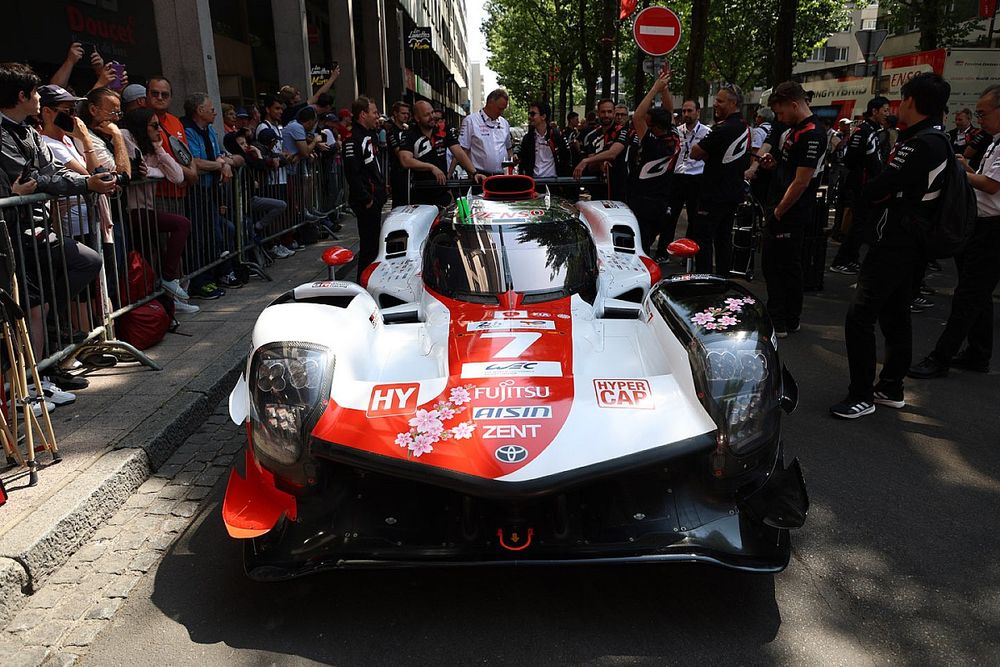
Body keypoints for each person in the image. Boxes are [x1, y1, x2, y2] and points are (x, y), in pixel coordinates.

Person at [830, 72, 952, 419]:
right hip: (912, 240)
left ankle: (861, 394)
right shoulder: (937, 139)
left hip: (896, 241)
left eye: (902, 99)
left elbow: (881, 185)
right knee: (895, 314)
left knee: (860, 317)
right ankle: (890, 386)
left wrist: (872, 194)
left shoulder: (921, 144)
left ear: (911, 101)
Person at [0, 63, 115, 371]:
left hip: (35, 227)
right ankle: (34, 381)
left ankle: (44, 371)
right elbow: (30, 178)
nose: (39, 98)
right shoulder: (4, 134)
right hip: (13, 233)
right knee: (33, 309)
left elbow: (48, 172)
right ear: (22, 95)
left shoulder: (29, 131)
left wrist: (84, 181)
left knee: (80, 268)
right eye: (36, 92)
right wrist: (85, 184)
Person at [909, 85, 1000, 379]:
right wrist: (967, 168)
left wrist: (960, 170)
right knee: (978, 296)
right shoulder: (994, 141)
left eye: (983, 114)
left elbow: (991, 185)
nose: (980, 120)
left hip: (992, 230)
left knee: (968, 296)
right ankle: (978, 353)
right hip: (981, 225)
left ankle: (941, 357)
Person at [759, 81, 827, 338]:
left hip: (790, 212)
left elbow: (801, 181)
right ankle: (786, 317)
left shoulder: (812, 133)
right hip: (782, 206)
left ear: (794, 104)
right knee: (778, 265)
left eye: (780, 112)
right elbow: (790, 169)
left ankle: (781, 320)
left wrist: (779, 211)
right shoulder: (794, 130)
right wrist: (773, 165)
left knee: (781, 266)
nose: (779, 118)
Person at [120, 108, 194, 307]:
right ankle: (167, 284)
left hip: (146, 210)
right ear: (141, 127)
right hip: (131, 210)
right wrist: (156, 170)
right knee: (180, 224)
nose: (159, 130)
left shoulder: (153, 146)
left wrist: (158, 155)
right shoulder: (125, 135)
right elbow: (136, 166)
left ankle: (166, 296)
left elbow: (177, 176)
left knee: (151, 256)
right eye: (154, 126)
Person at [689, 83, 751, 273]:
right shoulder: (744, 127)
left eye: (719, 101)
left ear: (733, 103)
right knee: (723, 238)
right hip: (732, 192)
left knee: (704, 238)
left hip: (714, 194)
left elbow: (695, 152)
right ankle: (723, 278)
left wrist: (708, 153)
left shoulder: (723, 129)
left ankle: (705, 279)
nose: (715, 104)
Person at [182, 92, 241, 294]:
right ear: (200, 110)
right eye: (212, 109)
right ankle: (201, 282)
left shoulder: (209, 130)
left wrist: (223, 163)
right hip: (195, 191)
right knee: (201, 237)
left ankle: (221, 273)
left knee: (222, 231)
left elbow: (219, 156)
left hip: (212, 191)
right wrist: (221, 165)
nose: (215, 112)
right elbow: (195, 162)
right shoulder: (187, 130)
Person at [830, 96, 890, 275]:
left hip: (868, 185)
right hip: (861, 186)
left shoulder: (874, 131)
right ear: (874, 111)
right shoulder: (863, 131)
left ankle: (852, 258)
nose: (887, 114)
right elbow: (851, 159)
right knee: (858, 225)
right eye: (885, 110)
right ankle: (842, 260)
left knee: (862, 225)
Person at [398, 100, 482, 208]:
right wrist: (431, 167)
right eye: (427, 115)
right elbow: (405, 160)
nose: (432, 117)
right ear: (417, 118)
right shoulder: (409, 134)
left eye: (432, 112)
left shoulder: (443, 130)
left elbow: (459, 152)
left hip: (442, 189)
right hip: (419, 191)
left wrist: (474, 173)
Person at [656, 98, 709, 258]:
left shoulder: (706, 132)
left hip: (696, 178)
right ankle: (663, 252)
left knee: (694, 218)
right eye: (684, 111)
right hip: (677, 178)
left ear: (698, 112)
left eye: (690, 111)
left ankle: (689, 254)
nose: (686, 114)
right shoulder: (677, 131)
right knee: (670, 216)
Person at [343, 96, 386, 281]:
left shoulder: (370, 135)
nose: (377, 116)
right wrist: (366, 198)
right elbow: (352, 173)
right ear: (363, 114)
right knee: (368, 247)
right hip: (367, 201)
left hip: (375, 197)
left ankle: (370, 280)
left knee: (374, 245)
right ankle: (363, 282)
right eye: (374, 112)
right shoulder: (353, 139)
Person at [574, 98, 627, 200]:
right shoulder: (592, 136)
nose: (606, 115)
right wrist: (599, 162)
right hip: (597, 189)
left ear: (614, 113)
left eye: (609, 112)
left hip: (619, 187)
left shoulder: (621, 131)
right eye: (603, 112)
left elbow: (613, 153)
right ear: (598, 113)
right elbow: (591, 167)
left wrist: (586, 161)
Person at [459, 89, 512, 175]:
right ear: (490, 103)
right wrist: (472, 173)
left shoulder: (504, 123)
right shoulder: (471, 121)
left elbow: (509, 149)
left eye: (504, 109)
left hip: (502, 176)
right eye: (499, 109)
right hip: (480, 176)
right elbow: (462, 151)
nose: (501, 112)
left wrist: (512, 160)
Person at [518, 101, 571, 179]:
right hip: (534, 182)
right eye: (529, 114)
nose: (529, 117)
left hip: (553, 182)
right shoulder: (528, 138)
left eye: (532, 114)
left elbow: (566, 158)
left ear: (543, 116)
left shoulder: (557, 136)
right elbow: (523, 160)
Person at [384, 101, 411, 206]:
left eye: (407, 113)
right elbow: (400, 154)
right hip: (398, 172)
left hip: (409, 173)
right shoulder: (392, 132)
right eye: (403, 113)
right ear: (395, 113)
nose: (406, 116)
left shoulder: (407, 130)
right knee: (400, 203)